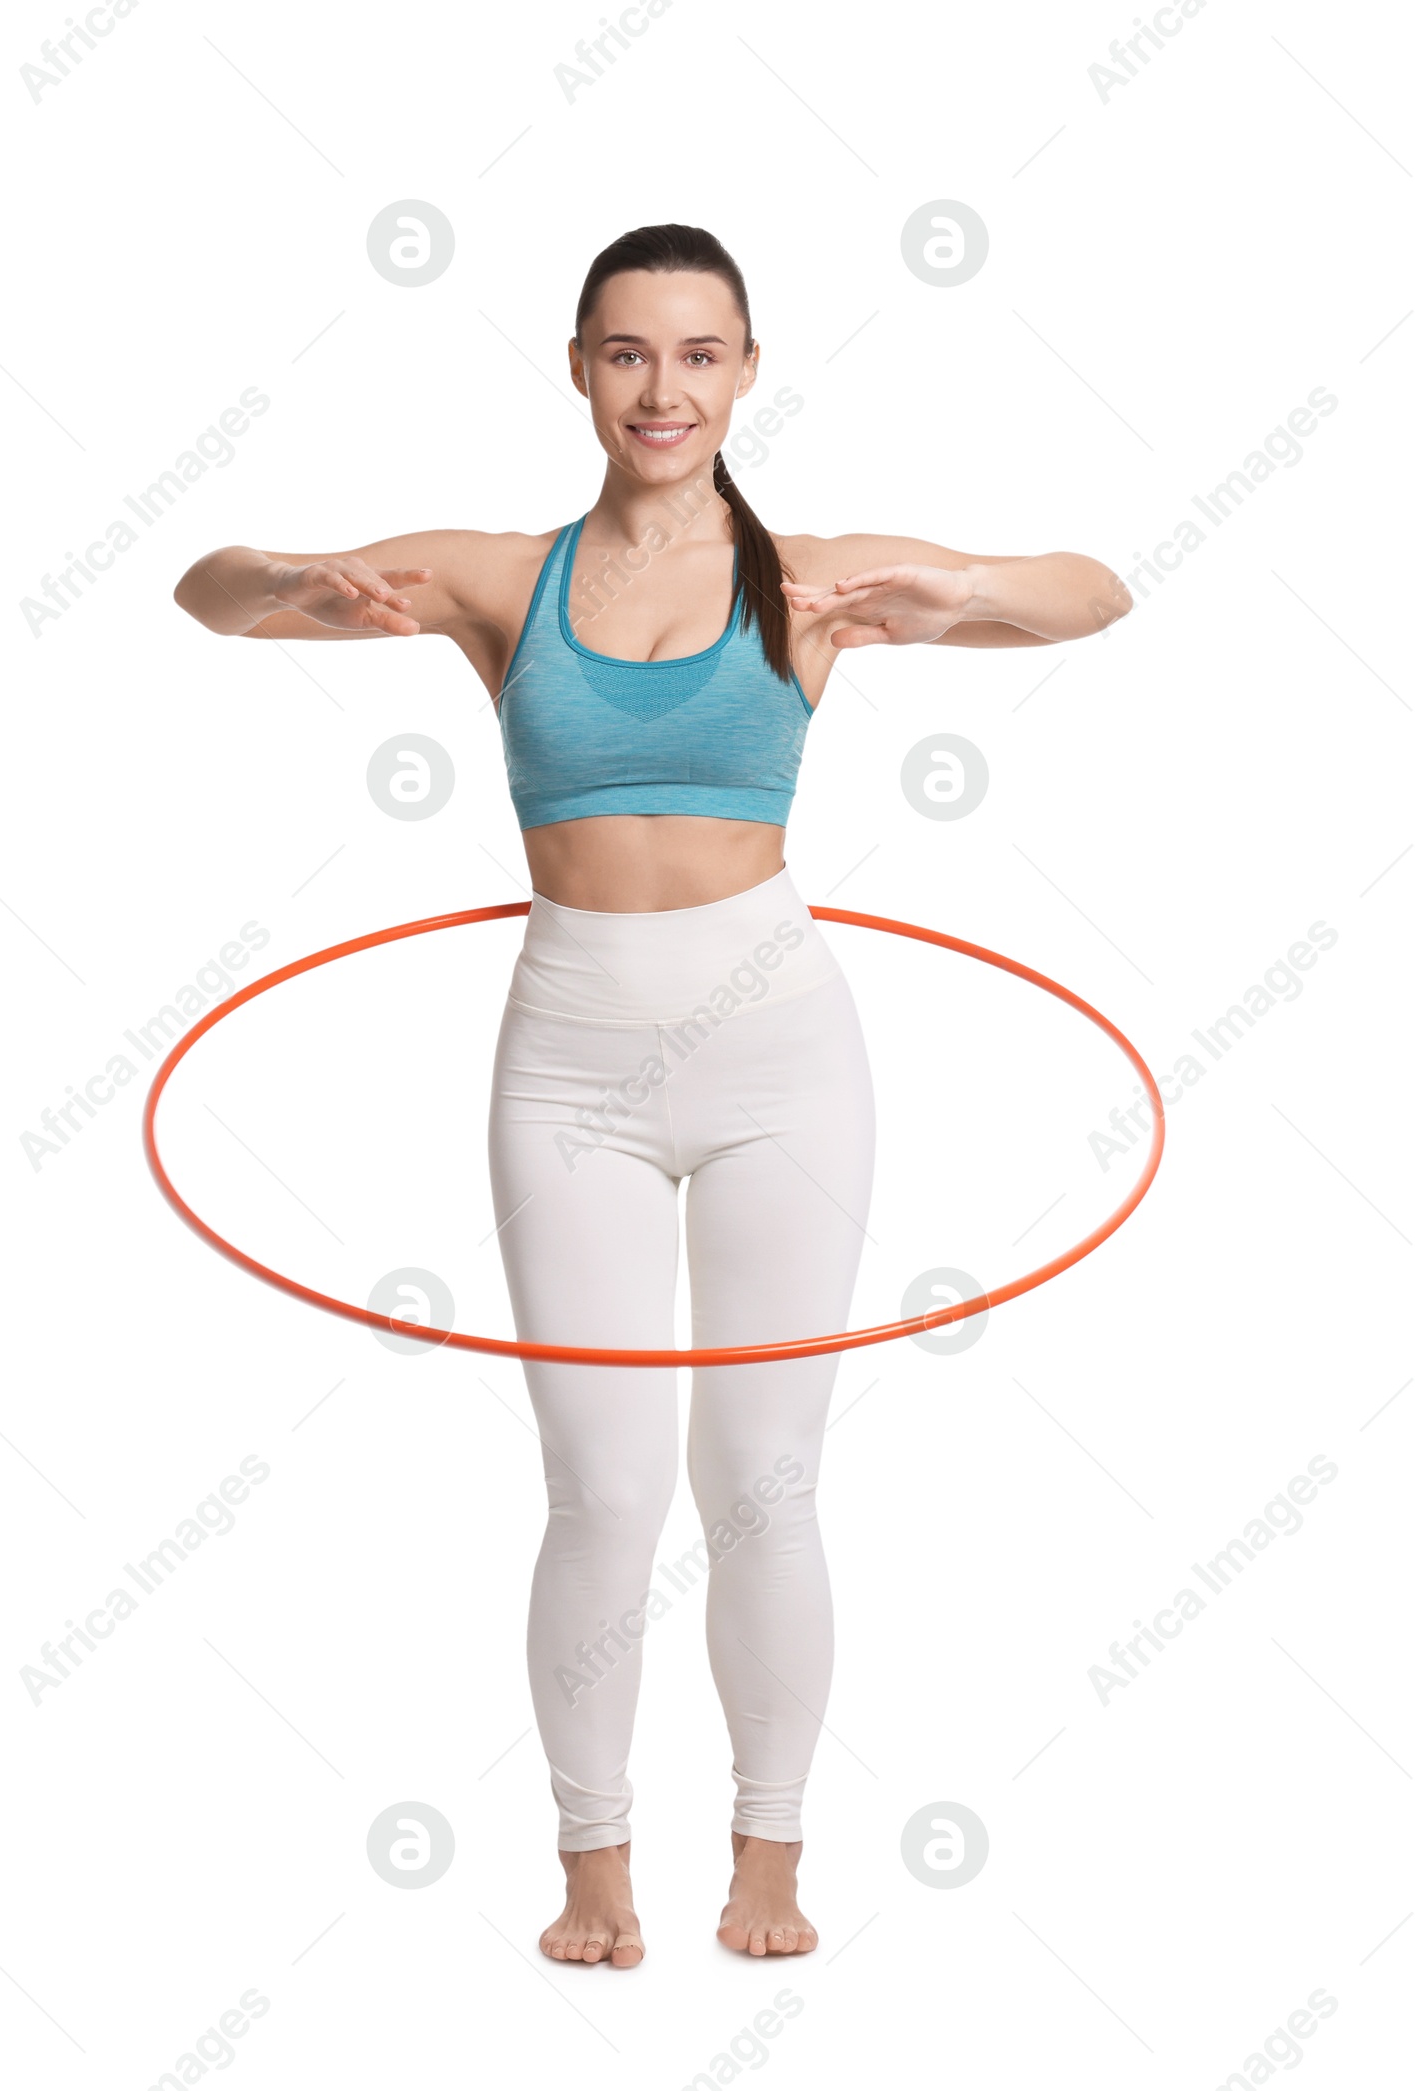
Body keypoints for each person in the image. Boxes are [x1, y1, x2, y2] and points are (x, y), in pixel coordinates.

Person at [173, 221, 1131, 1971]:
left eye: (700, 355)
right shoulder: (497, 575)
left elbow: (1097, 588)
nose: (663, 388)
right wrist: (298, 585)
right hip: (571, 1066)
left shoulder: (812, 573)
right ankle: (594, 1857)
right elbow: (205, 589)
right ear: (578, 369)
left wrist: (958, 603)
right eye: (628, 353)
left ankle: (768, 1852)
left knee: (764, 1476)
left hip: (782, 1058)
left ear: (749, 371)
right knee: (604, 1488)